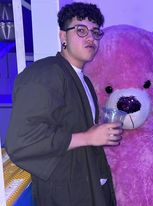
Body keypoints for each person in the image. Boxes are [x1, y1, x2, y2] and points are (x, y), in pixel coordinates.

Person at [6, 2, 122, 206]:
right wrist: (88, 137)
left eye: (95, 32)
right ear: (63, 37)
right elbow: (22, 141)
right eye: (81, 30)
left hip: (87, 181)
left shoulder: (83, 80)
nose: (90, 38)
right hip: (64, 192)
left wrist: (96, 132)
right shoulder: (45, 74)